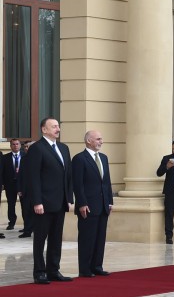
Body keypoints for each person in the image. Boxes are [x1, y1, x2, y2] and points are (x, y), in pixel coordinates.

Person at [22, 117, 74, 284]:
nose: (57, 129)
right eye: (53, 126)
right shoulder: (37, 148)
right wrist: (37, 201)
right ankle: (39, 272)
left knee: (56, 238)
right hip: (43, 203)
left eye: (58, 126)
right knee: (40, 239)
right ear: (44, 130)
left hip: (60, 202)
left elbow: (68, 176)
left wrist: (69, 198)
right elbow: (33, 178)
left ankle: (53, 270)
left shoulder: (64, 148)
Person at [72, 130, 113, 277]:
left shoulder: (103, 157)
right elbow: (78, 184)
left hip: (103, 205)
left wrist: (110, 202)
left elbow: (106, 182)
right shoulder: (79, 159)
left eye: (101, 139)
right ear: (89, 141)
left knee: (100, 238)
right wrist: (82, 203)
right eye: (98, 139)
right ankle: (85, 269)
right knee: (87, 238)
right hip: (87, 206)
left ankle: (97, 266)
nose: (101, 142)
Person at [3, 139, 25, 235]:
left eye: (17, 144)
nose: (15, 146)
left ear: (20, 145)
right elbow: (3, 172)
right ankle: (11, 222)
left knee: (24, 205)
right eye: (13, 144)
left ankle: (27, 224)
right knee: (11, 204)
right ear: (10, 146)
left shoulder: (26, 156)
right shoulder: (5, 157)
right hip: (10, 184)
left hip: (23, 185)